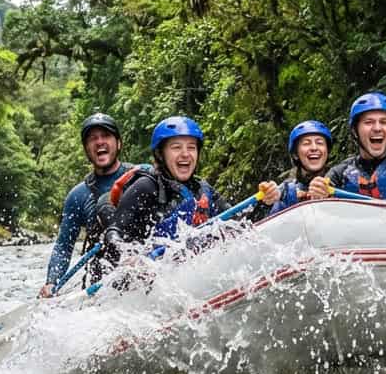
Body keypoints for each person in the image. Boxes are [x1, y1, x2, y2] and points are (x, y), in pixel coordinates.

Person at [101, 116, 232, 264]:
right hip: (150, 271)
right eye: (176, 147)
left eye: (191, 147)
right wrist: (129, 256)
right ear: (160, 154)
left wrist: (264, 203)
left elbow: (240, 223)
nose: (185, 154)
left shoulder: (203, 189)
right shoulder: (145, 188)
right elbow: (114, 233)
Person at [40, 113, 135, 297]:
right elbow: (64, 246)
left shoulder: (141, 177)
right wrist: (52, 282)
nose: (99, 142)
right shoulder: (78, 196)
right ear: (86, 149)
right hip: (101, 284)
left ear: (119, 143)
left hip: (142, 267)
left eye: (106, 136)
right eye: (93, 139)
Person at [256, 120, 335, 218]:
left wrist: (330, 198)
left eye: (319, 143)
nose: (314, 148)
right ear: (295, 154)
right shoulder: (286, 190)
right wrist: (267, 202)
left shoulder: (340, 181)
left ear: (327, 151)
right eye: (306, 143)